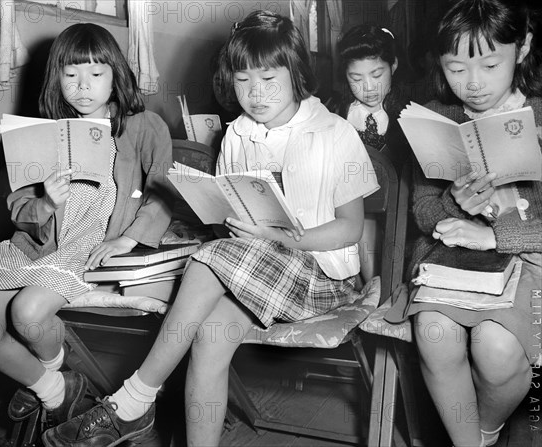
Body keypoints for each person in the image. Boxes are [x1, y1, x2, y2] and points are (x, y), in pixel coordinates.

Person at [42, 10, 379, 447]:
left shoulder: (334, 133)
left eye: (268, 79)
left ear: (296, 73)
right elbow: (224, 215)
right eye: (242, 81)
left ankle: (133, 401)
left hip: (323, 274)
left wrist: (278, 237)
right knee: (209, 337)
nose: (255, 94)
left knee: (206, 259)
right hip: (253, 268)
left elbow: (350, 229)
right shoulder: (236, 133)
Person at [0, 23, 173, 429]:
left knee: (28, 313)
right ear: (56, 78)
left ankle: (51, 377)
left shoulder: (144, 126)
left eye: (96, 74)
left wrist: (131, 237)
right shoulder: (39, 132)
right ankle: (55, 385)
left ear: (117, 75)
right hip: (32, 246)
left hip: (89, 246)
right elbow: (18, 206)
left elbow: (166, 191)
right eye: (71, 75)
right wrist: (44, 202)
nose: (83, 86)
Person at [386, 1, 542, 446]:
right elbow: (423, 209)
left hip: (530, 260)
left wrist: (495, 234)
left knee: (496, 349)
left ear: (523, 46)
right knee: (434, 331)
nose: (472, 84)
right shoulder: (438, 117)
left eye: (491, 64)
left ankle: (484, 434)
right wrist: (455, 204)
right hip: (453, 264)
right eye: (455, 67)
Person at [332, 24, 411, 172]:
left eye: (376, 75)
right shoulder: (335, 115)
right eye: (356, 79)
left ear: (393, 65)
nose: (368, 87)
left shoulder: (408, 116)